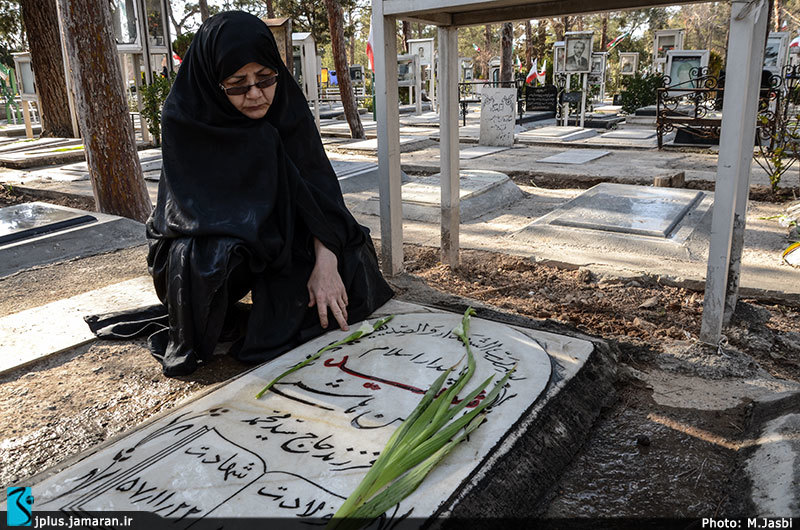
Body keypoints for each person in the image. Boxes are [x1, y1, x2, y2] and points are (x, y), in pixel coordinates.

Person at [87, 11, 393, 376]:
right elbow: (192, 213)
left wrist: (325, 263)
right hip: (208, 234)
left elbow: (320, 195)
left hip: (273, 228)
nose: (255, 94)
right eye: (237, 84)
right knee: (204, 261)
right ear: (213, 82)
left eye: (265, 78)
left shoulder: (287, 107)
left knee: (350, 252)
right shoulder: (185, 118)